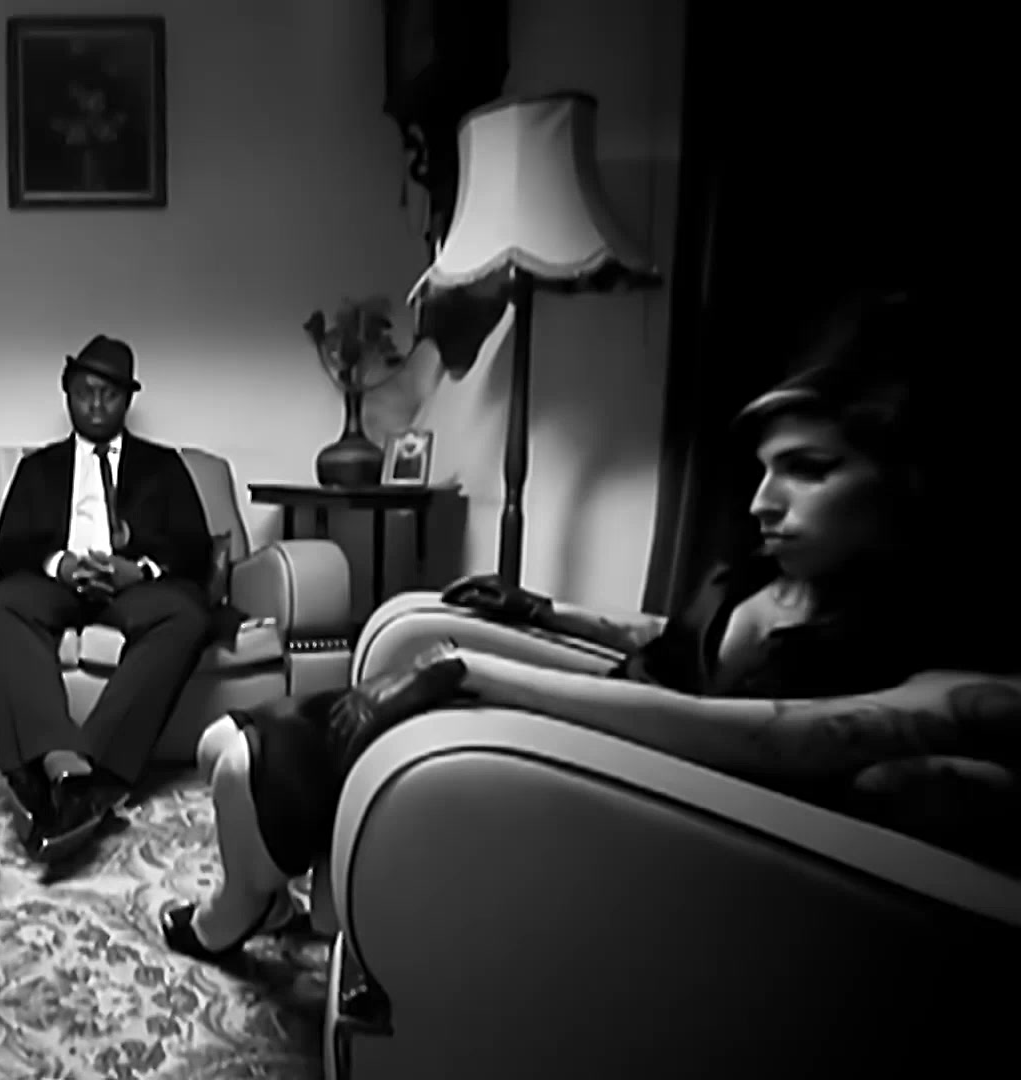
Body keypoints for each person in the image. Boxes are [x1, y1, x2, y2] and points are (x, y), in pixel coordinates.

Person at [161, 291, 1021, 963]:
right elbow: (675, 638)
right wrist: (544, 610)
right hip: (599, 720)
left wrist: (476, 671)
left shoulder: (942, 668)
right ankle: (274, 896)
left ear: (906, 480)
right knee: (223, 742)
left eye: (810, 469)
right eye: (765, 470)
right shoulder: (781, 575)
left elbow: (765, 737)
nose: (764, 501)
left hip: (624, 781)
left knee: (245, 760)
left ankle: (234, 913)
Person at [0, 335, 218, 865]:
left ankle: (84, 779)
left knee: (187, 614)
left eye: (109, 394)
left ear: (127, 400)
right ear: (67, 393)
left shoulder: (163, 466)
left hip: (134, 589)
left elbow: (194, 548)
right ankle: (60, 758)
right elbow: (5, 548)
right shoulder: (39, 468)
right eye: (85, 392)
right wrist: (59, 564)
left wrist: (141, 569)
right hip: (56, 585)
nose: (96, 405)